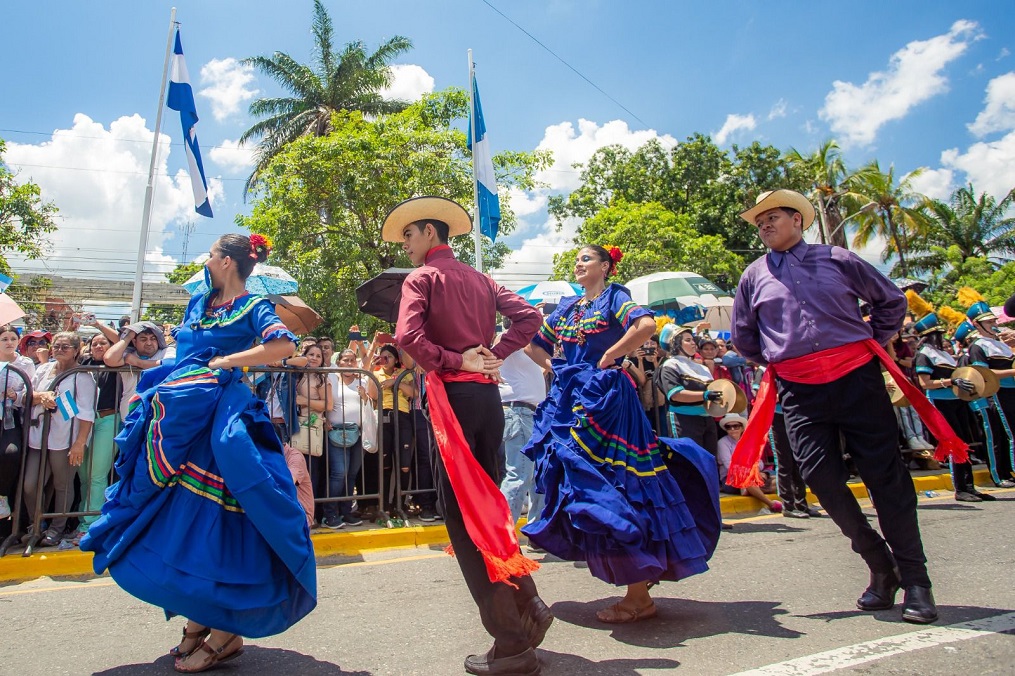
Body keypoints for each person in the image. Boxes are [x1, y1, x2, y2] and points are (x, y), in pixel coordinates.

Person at [729, 189, 969, 625]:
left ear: (799, 220)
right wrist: (786, 358)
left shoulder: (838, 258)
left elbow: (891, 301)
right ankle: (881, 564)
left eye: (773, 217)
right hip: (799, 391)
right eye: (760, 221)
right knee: (820, 478)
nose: (764, 225)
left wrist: (870, 342)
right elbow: (745, 337)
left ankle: (917, 581)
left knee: (885, 478)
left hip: (857, 379)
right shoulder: (752, 276)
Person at [81, 234, 316, 672]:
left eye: (211, 255)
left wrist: (230, 362)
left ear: (227, 262)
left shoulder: (254, 306)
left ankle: (224, 631)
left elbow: (284, 346)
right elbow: (183, 352)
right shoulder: (199, 304)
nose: (206, 261)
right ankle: (198, 623)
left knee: (219, 520)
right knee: (178, 518)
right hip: (178, 413)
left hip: (219, 412)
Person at [387, 196, 548, 676]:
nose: (407, 245)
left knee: (464, 519)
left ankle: (512, 641)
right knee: (491, 509)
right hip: (486, 403)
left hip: (453, 403)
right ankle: (529, 604)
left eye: (409, 236)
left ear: (430, 234)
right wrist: (492, 354)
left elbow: (408, 338)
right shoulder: (481, 279)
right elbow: (532, 318)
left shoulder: (421, 278)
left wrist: (461, 359)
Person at [523, 244, 721, 626]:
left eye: (586, 259)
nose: (579, 264)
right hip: (572, 398)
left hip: (608, 400)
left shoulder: (616, 296)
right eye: (577, 260)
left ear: (605, 266)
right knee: (583, 484)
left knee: (621, 485)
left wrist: (610, 356)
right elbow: (534, 345)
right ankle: (636, 586)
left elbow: (645, 326)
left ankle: (637, 594)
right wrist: (556, 367)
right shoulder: (568, 306)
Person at [25, 332, 96, 547]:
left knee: (62, 485)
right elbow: (30, 394)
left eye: (66, 347)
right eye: (56, 346)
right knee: (30, 484)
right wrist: (42, 397)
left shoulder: (83, 376)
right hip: (39, 436)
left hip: (66, 438)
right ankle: (35, 525)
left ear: (76, 350)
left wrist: (79, 444)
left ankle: (56, 529)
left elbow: (86, 413)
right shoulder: (44, 369)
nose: (59, 350)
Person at [911, 314, 986, 502]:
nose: (942, 337)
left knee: (964, 442)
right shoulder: (924, 355)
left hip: (956, 400)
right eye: (938, 334)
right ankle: (960, 488)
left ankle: (969, 486)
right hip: (940, 402)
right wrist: (950, 381)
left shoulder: (943, 353)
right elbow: (925, 383)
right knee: (953, 444)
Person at [497, 316, 548, 527]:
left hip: (531, 413)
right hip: (519, 412)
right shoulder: (509, 339)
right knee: (519, 476)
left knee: (538, 476)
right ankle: (501, 534)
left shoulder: (525, 345)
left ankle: (537, 530)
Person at [963, 297, 1015, 487]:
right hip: (998, 392)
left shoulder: (1002, 343)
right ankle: (998, 475)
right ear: (977, 324)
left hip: (1012, 389)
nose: (994, 324)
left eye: (994, 321)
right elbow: (983, 373)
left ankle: (1008, 471)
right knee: (1007, 434)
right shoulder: (978, 345)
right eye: (989, 322)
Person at [73, 331, 120, 542]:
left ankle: (90, 524)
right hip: (84, 423)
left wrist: (98, 324)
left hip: (108, 419)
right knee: (83, 475)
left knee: (97, 474)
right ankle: (83, 517)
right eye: (95, 344)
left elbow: (121, 341)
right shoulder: (84, 364)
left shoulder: (117, 361)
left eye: (104, 343)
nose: (99, 347)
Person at [321, 349, 372, 528]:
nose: (349, 363)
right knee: (339, 473)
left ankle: (346, 511)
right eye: (345, 360)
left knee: (351, 475)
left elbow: (371, 402)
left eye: (352, 360)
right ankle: (330, 514)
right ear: (339, 362)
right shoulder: (332, 378)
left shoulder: (363, 379)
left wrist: (365, 397)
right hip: (336, 432)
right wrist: (324, 418)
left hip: (357, 433)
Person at [656, 324, 721, 455]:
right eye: (688, 340)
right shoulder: (670, 365)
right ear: (675, 344)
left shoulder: (703, 367)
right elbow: (675, 395)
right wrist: (705, 395)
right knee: (689, 463)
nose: (693, 343)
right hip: (684, 420)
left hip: (708, 420)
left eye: (693, 340)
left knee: (710, 461)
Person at [1, 324, 36, 534]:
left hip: (12, 417)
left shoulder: (25, 363)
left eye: (12, 338)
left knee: (10, 454)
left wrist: (15, 396)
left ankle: (3, 497)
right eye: (4, 338)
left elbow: (30, 391)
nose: (8, 342)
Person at [103, 321, 175, 421]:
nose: (149, 343)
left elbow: (172, 365)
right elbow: (109, 359)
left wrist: (138, 363)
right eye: (143, 339)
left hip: (158, 419)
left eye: (153, 338)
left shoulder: (167, 351)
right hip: (130, 419)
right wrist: (128, 336)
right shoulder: (128, 354)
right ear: (134, 342)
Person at [717, 414, 782, 512]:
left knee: (780, 480)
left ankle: (749, 490)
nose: (733, 429)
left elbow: (759, 462)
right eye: (729, 427)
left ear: (742, 427)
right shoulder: (722, 443)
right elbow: (729, 466)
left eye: (736, 426)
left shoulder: (748, 442)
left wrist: (756, 473)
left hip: (752, 475)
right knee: (747, 481)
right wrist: (751, 473)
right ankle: (770, 503)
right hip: (730, 478)